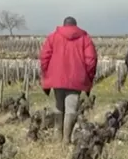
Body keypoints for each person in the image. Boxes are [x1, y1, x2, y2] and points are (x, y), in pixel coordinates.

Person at [39, 16, 97, 144]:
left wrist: (46, 73)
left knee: (59, 105)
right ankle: (66, 139)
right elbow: (91, 60)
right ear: (76, 25)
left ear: (64, 25)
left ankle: (57, 135)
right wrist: (88, 76)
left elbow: (44, 57)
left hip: (57, 77)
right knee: (71, 108)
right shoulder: (85, 38)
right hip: (76, 79)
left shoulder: (53, 37)